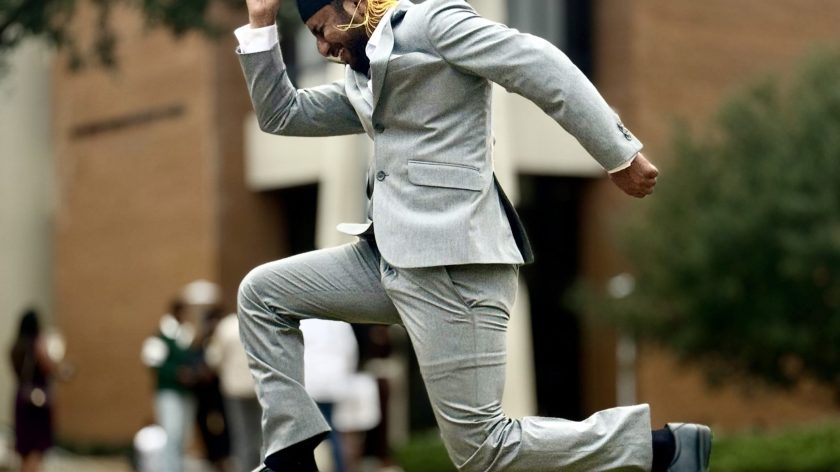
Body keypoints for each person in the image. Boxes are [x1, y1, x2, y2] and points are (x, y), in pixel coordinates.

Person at [234, 0, 712, 471]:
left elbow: (538, 64)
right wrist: (261, 24)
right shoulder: (364, 76)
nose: (320, 47)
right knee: (262, 294)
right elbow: (283, 114)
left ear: (355, 4)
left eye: (322, 28)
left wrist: (618, 154)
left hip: (454, 265)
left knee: (483, 449)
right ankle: (291, 456)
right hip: (389, 262)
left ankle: (661, 449)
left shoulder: (432, 23)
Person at [141, 300, 202, 472]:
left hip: (187, 393)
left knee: (184, 435)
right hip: (168, 392)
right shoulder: (162, 335)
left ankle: (179, 466)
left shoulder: (187, 335)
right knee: (172, 432)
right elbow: (153, 364)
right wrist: (177, 373)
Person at [206, 310, 263, 472]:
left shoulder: (225, 326)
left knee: (241, 434)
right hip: (258, 387)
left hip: (234, 389)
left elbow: (213, 358)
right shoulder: (258, 322)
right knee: (261, 435)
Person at [9, 309, 56, 472]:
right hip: (37, 402)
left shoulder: (16, 347)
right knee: (36, 450)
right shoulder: (37, 344)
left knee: (24, 451)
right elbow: (49, 367)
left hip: (21, 399)